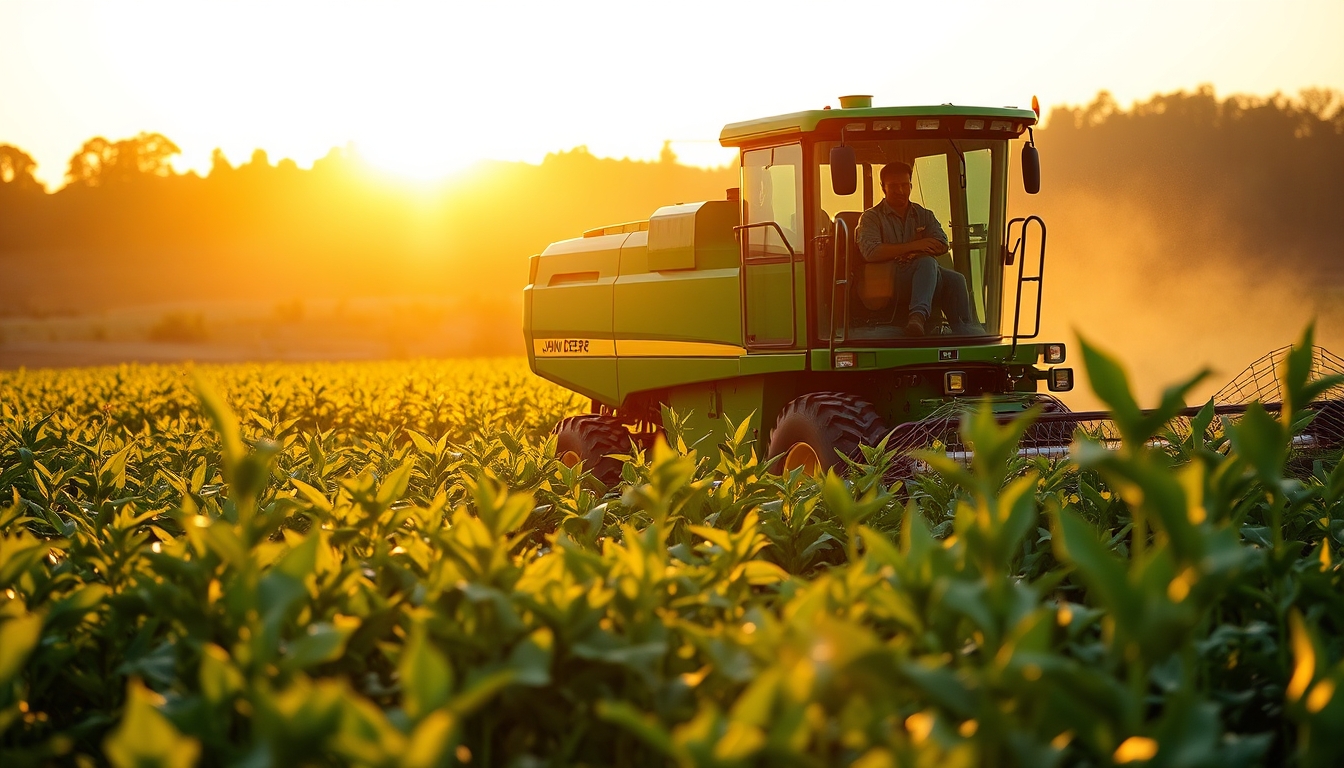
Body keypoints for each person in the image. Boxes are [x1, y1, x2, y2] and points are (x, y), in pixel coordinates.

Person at [854, 162, 983, 337]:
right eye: (893, 186)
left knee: (956, 279)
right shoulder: (870, 218)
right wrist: (915, 246)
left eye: (904, 185)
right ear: (883, 188)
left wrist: (918, 252)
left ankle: (965, 330)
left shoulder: (924, 215)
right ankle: (917, 318)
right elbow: (871, 252)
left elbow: (942, 242)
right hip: (885, 280)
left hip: (922, 273)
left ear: (911, 186)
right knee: (927, 263)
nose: (900, 190)